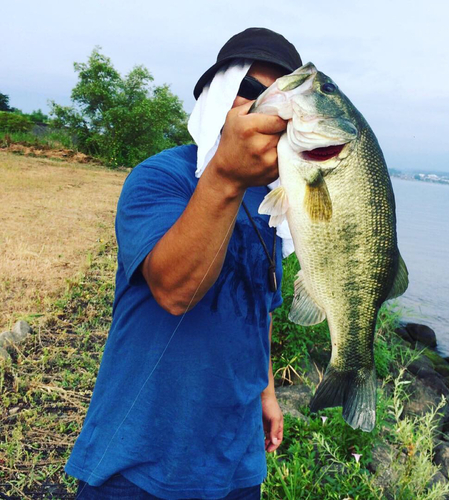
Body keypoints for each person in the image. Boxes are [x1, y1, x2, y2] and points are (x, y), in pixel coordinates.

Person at [66, 27, 303, 499]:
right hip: (138, 461)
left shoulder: (275, 204)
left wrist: (266, 392)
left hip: (235, 464)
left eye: (285, 99)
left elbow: (261, 305)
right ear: (216, 97)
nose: (271, 109)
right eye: (252, 92)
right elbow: (176, 291)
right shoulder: (159, 178)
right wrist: (225, 177)